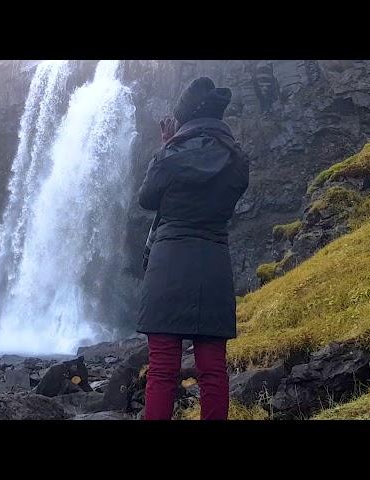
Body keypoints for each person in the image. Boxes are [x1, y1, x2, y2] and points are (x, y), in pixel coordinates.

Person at [137, 77, 250, 420]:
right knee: (213, 369)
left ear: (184, 116)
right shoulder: (237, 160)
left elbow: (147, 199)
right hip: (213, 264)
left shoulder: (171, 154)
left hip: (168, 262)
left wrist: (167, 146)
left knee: (162, 368)